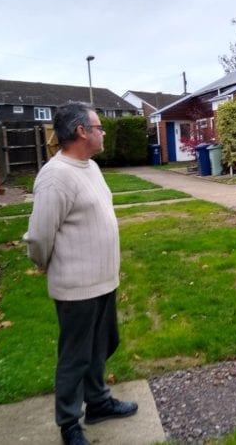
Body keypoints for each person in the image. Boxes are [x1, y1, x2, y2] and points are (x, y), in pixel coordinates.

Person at [24, 102, 137, 445]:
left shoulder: (89, 167)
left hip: (103, 281)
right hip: (77, 287)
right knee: (75, 357)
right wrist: (41, 261)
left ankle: (99, 402)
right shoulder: (56, 176)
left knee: (103, 345)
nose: (103, 132)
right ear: (81, 132)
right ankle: (69, 423)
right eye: (99, 127)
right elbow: (41, 234)